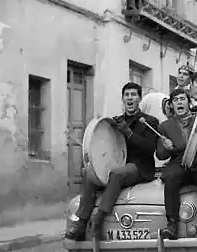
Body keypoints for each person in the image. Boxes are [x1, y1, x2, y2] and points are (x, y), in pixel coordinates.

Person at [66, 82, 160, 241]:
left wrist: (128, 133)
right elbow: (107, 144)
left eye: (133, 95)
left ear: (139, 99)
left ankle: (97, 221)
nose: (130, 98)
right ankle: (81, 222)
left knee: (117, 174)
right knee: (89, 174)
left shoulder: (150, 121)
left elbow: (150, 149)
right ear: (123, 99)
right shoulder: (115, 122)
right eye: (127, 95)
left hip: (140, 167)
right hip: (118, 164)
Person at [157, 88, 197, 240]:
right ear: (171, 105)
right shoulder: (165, 126)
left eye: (182, 99)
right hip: (178, 161)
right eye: (176, 100)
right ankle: (171, 224)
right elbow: (160, 155)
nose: (179, 102)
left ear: (188, 102)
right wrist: (166, 148)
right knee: (170, 176)